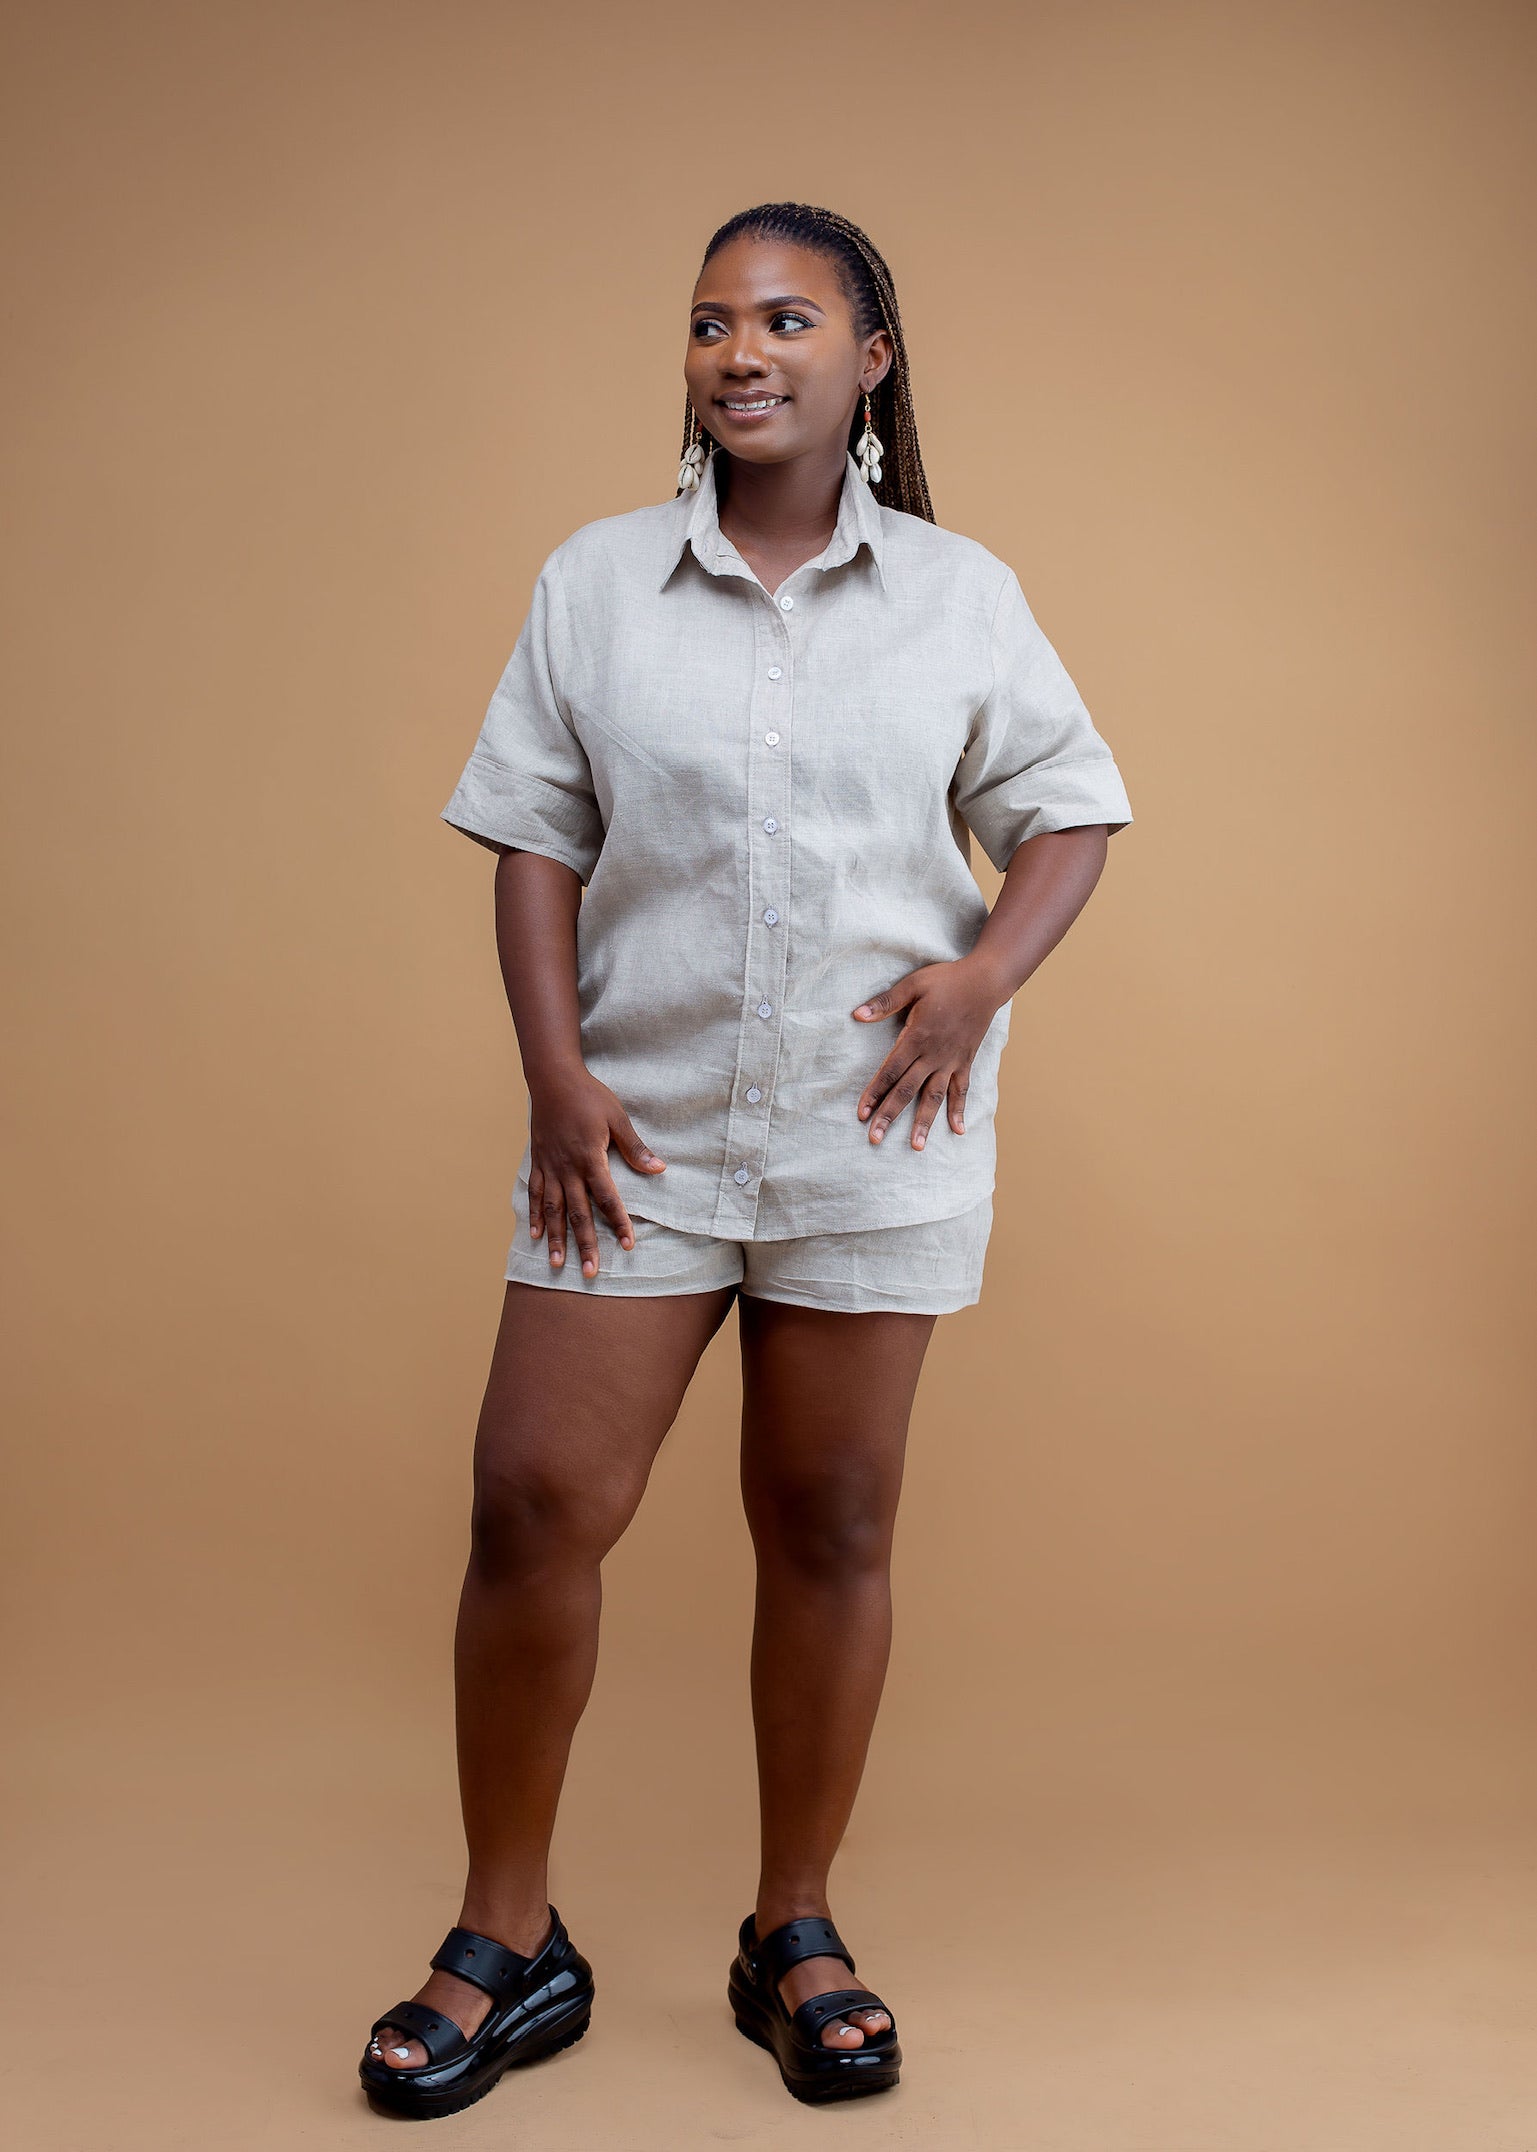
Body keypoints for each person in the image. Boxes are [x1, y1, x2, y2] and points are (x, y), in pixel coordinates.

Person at [358, 200, 1133, 2120]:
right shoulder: (598, 584)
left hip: (873, 1136)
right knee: (534, 1501)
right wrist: (553, 1075)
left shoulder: (960, 594)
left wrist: (975, 984)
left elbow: (1068, 812)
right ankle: (508, 1940)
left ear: (870, 360)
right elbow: (534, 839)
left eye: (788, 317)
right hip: (635, 1131)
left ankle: (793, 1928)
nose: (741, 350)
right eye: (711, 322)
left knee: (832, 1528)